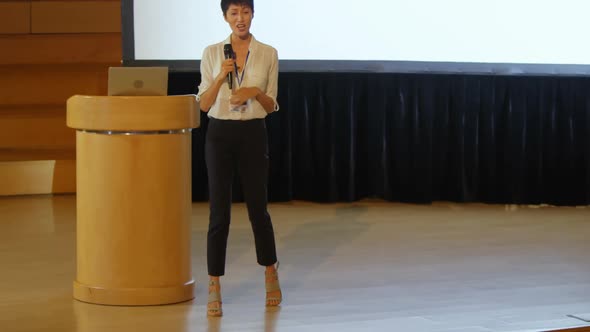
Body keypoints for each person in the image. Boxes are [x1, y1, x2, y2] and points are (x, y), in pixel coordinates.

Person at [196, 0, 282, 317]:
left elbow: (272, 105)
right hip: (219, 134)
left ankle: (270, 271)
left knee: (258, 209)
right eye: (234, 13)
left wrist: (253, 93)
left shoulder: (268, 53)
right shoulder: (211, 53)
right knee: (219, 212)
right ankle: (214, 283)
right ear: (225, 17)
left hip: (253, 132)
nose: (240, 18)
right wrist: (221, 77)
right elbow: (204, 105)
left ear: (252, 14)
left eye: (245, 12)